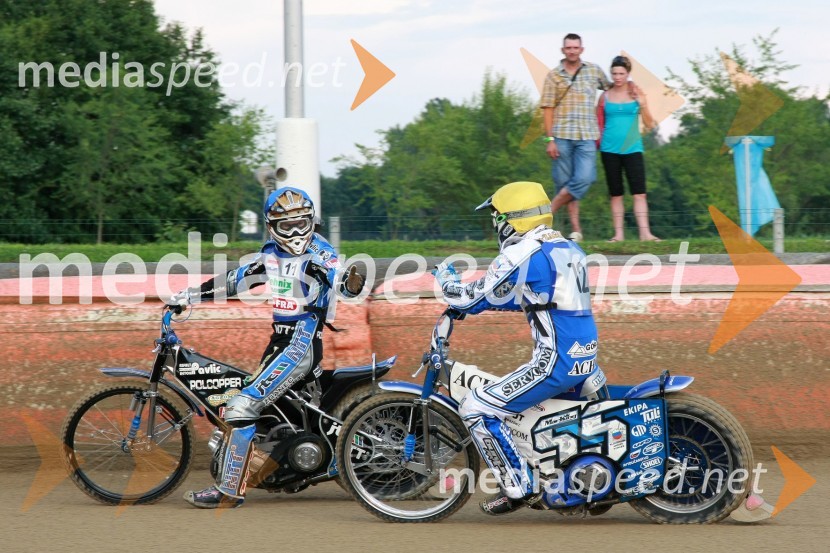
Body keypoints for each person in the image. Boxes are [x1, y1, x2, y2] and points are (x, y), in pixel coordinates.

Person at [169, 186, 365, 509]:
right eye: (287, 226)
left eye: (302, 223)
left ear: (312, 222)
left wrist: (349, 282)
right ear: (272, 226)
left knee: (241, 407)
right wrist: (190, 295)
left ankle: (229, 492)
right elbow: (235, 280)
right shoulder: (271, 256)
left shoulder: (318, 253)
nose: (296, 232)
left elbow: (338, 273)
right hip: (281, 340)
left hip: (300, 342)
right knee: (259, 408)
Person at [435, 181, 600, 515]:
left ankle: (519, 488)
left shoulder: (521, 251)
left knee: (477, 407)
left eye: (497, 216)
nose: (495, 224)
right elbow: (538, 299)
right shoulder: (568, 248)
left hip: (554, 363)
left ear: (511, 219)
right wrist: (487, 306)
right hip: (586, 359)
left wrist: (445, 282)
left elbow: (470, 296)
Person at [541, 33, 611, 242]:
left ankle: (545, 215)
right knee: (565, 183)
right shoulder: (553, 76)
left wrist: (631, 88)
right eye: (568, 48)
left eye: (575, 47)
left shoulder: (594, 71)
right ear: (563, 50)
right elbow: (547, 108)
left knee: (585, 178)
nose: (572, 51)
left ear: (582, 49)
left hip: (587, 135)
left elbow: (610, 88)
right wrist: (549, 139)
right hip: (561, 136)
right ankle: (576, 230)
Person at [598, 55, 660, 242]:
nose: (617, 77)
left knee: (639, 193)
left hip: (633, 149)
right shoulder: (604, 96)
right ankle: (618, 235)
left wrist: (642, 104)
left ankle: (645, 234)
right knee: (616, 194)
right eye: (614, 73)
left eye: (621, 73)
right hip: (609, 149)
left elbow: (650, 124)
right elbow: (598, 122)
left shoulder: (637, 94)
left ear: (628, 74)